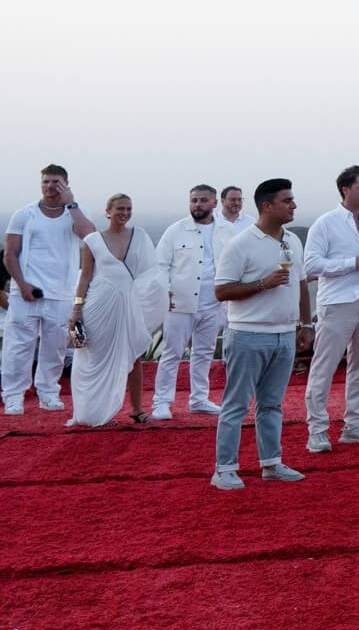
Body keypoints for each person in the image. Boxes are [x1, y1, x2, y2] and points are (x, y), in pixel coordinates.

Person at [211, 179, 311, 488]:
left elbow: (302, 283)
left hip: (284, 334)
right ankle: (224, 469)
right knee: (236, 404)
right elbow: (221, 290)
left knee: (271, 404)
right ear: (267, 206)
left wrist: (305, 324)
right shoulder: (240, 244)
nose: (294, 205)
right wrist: (261, 284)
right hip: (247, 335)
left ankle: (271, 463)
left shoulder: (293, 240)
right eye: (287, 200)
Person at [302, 165, 359, 454]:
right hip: (337, 302)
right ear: (345, 189)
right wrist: (351, 263)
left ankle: (354, 424)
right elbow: (311, 265)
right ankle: (316, 429)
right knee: (324, 366)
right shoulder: (325, 223)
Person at [66, 194, 163, 427]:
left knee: (134, 354)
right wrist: (77, 308)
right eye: (120, 208)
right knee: (93, 358)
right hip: (99, 305)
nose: (125, 213)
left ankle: (137, 409)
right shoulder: (92, 240)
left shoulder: (139, 236)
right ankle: (93, 412)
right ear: (108, 211)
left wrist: (161, 295)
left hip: (130, 303)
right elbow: (85, 276)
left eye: (129, 208)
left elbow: (152, 273)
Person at [4, 164, 93, 415]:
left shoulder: (76, 212)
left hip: (62, 291)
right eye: (45, 181)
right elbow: (10, 254)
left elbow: (89, 236)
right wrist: (22, 285)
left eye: (55, 182)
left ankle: (48, 393)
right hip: (26, 292)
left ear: (65, 184)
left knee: (55, 347)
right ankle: (13, 395)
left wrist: (71, 204)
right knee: (18, 346)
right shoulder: (24, 214)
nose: (50, 186)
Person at [151, 184, 227, 418]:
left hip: (214, 302)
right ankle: (161, 402)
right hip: (180, 304)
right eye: (194, 200)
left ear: (214, 203)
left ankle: (199, 399)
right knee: (172, 352)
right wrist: (166, 293)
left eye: (204, 200)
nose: (198, 205)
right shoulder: (176, 231)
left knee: (204, 353)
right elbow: (160, 265)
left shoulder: (229, 231)